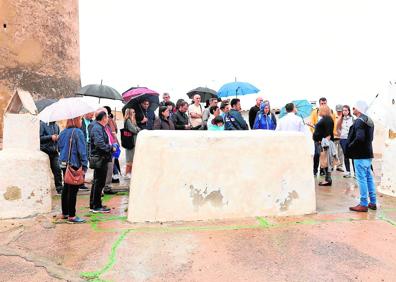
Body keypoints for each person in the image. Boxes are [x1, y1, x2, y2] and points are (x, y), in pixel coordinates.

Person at [346, 101, 376, 212]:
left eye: (354, 107)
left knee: (362, 179)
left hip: (360, 155)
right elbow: (370, 138)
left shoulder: (359, 121)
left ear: (359, 109)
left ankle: (363, 204)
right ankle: (372, 202)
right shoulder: (369, 120)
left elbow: (359, 138)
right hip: (368, 154)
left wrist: (350, 146)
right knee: (369, 179)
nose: (353, 109)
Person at [58, 116, 88, 223]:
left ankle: (64, 213)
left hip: (63, 163)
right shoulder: (78, 132)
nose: (81, 122)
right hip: (74, 164)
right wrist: (84, 165)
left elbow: (59, 148)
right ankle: (72, 215)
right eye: (80, 119)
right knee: (73, 190)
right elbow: (82, 151)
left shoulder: (62, 132)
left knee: (66, 188)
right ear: (75, 120)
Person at [89, 111, 116, 213]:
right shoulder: (97, 128)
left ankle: (95, 204)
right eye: (107, 117)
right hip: (100, 158)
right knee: (99, 183)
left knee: (97, 182)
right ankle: (96, 206)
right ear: (103, 118)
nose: (108, 119)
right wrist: (110, 148)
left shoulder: (99, 127)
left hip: (102, 157)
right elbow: (99, 143)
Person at [308, 97, 337, 176]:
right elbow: (313, 125)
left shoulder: (331, 113)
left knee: (325, 156)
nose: (323, 105)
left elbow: (333, 126)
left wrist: (329, 136)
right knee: (317, 155)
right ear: (319, 103)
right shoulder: (315, 112)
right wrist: (314, 129)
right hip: (319, 139)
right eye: (322, 104)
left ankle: (322, 171)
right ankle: (315, 170)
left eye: (325, 103)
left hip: (324, 139)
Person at [313, 105, 335, 186]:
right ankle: (327, 179)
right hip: (324, 142)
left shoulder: (326, 120)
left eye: (319, 110)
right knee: (326, 161)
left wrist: (320, 140)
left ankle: (328, 179)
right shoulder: (329, 119)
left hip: (323, 143)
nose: (318, 111)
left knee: (325, 161)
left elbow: (327, 133)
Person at [40, 121, 63, 194]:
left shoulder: (56, 126)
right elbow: (39, 138)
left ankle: (59, 188)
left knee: (57, 169)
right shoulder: (42, 124)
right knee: (44, 172)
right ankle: (43, 188)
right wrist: (51, 137)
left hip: (54, 152)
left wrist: (58, 138)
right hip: (44, 151)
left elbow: (57, 139)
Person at [337, 105, 355, 178]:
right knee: (346, 155)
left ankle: (355, 172)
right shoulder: (340, 119)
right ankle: (348, 171)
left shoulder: (352, 119)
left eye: (346, 110)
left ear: (349, 111)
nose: (344, 112)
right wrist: (341, 134)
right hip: (343, 139)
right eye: (343, 110)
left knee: (353, 156)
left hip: (351, 139)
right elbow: (337, 128)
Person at [123, 108, 140, 179]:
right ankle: (127, 174)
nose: (134, 113)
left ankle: (130, 174)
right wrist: (137, 129)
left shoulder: (132, 120)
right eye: (133, 112)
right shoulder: (128, 121)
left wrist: (137, 128)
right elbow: (134, 130)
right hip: (130, 142)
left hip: (133, 142)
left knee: (132, 159)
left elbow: (136, 128)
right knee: (129, 159)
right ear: (129, 113)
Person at [334, 104, 345, 172]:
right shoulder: (333, 116)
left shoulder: (344, 117)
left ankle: (340, 166)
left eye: (340, 111)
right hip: (334, 136)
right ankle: (333, 165)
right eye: (338, 111)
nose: (339, 112)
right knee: (333, 152)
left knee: (341, 152)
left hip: (341, 137)